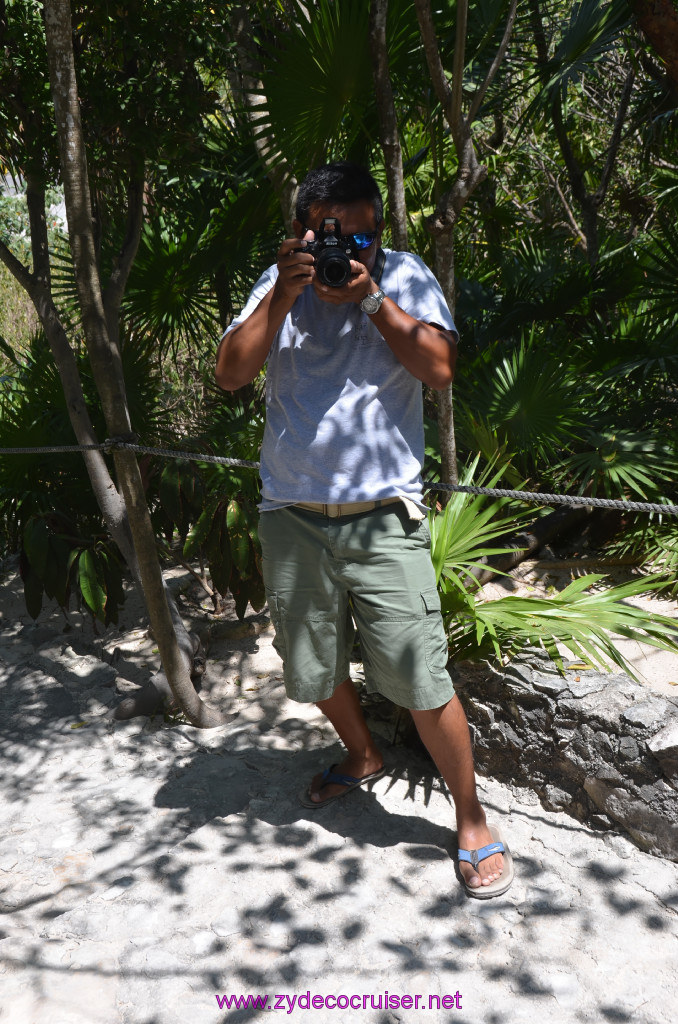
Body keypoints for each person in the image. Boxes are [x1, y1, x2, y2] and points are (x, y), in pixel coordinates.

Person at [215, 161, 513, 898]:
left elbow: (440, 368)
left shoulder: (403, 276)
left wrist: (373, 298)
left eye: (366, 234)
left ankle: (471, 817)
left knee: (420, 673)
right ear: (301, 233)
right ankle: (362, 755)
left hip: (384, 515)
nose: (353, 248)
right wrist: (284, 293)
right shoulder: (274, 284)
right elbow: (228, 374)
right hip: (292, 513)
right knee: (311, 666)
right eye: (333, 235)